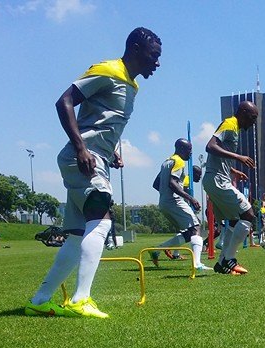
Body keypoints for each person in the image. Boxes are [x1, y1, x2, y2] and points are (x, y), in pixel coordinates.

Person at [25, 27, 162, 318]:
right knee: (101, 221)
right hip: (84, 159)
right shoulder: (107, 70)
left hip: (97, 157)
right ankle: (80, 299)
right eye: (154, 56)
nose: (157, 63)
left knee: (77, 237)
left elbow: (100, 122)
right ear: (136, 49)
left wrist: (110, 151)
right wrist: (81, 148)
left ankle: (39, 301)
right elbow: (64, 101)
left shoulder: (132, 86)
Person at [202, 101, 259, 275]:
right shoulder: (229, 123)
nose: (254, 122)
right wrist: (238, 157)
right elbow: (210, 146)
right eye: (252, 117)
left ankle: (222, 263)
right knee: (248, 214)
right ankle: (229, 259)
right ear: (243, 112)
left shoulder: (234, 128)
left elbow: (219, 156)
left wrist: (233, 171)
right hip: (217, 180)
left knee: (234, 220)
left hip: (217, 179)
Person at [147, 139, 211, 272]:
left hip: (164, 202)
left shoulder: (166, 162)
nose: (191, 153)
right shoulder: (179, 161)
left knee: (189, 233)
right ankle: (197, 263)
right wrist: (190, 198)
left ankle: (157, 250)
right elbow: (172, 183)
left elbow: (156, 184)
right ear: (181, 149)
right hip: (174, 201)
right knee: (196, 227)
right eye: (189, 149)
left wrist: (165, 194)